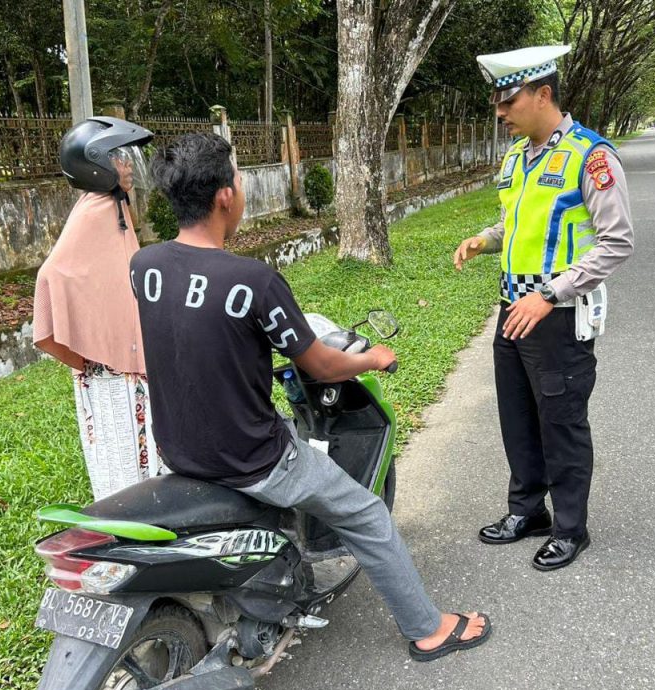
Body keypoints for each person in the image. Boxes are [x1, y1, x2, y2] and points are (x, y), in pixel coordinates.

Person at [130, 132, 490, 661]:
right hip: (253, 459)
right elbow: (318, 363)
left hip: (179, 451)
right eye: (239, 177)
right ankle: (429, 628)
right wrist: (373, 358)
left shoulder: (144, 266)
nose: (242, 186)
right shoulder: (254, 281)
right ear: (224, 195)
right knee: (367, 515)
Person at [454, 45, 634, 570]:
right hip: (513, 307)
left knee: (561, 421)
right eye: (498, 102)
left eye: (508, 101)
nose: (500, 112)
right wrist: (484, 240)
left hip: (556, 314)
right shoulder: (516, 157)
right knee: (517, 416)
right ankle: (527, 510)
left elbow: (616, 241)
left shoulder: (591, 156)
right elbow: (515, 223)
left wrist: (551, 292)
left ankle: (570, 527)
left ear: (543, 94)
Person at [33, 116, 168, 501]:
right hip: (111, 370)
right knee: (123, 460)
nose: (127, 167)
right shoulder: (96, 210)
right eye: (119, 159)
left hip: (123, 363)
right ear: (94, 166)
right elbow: (54, 273)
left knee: (138, 457)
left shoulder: (113, 205)